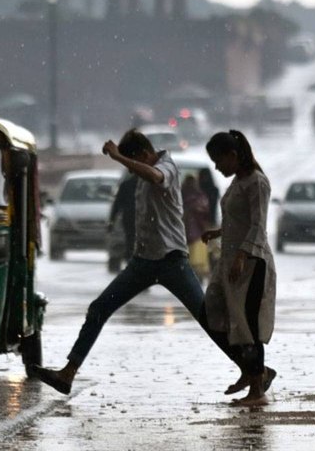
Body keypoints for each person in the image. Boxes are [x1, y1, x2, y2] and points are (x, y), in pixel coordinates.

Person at [30, 129, 258, 396]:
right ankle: (68, 373)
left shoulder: (167, 167)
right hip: (142, 262)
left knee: (207, 318)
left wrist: (118, 158)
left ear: (144, 154)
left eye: (134, 162)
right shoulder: (141, 173)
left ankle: (254, 369)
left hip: (172, 261)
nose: (133, 169)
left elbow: (155, 176)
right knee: (99, 308)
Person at [200, 130, 277, 406]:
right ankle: (252, 370)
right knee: (214, 309)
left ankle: (257, 389)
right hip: (230, 260)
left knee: (248, 324)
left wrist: (243, 256)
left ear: (233, 155)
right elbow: (238, 219)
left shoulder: (257, 182)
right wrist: (219, 232)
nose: (217, 168)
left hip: (251, 263)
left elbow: (258, 225)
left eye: (219, 161)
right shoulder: (237, 183)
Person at [182, 174, 211, 279]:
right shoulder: (200, 197)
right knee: (198, 262)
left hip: (184, 233)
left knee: (188, 260)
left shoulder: (181, 197)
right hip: (198, 234)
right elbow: (204, 214)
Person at [107, 174, 137, 271]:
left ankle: (132, 264)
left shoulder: (127, 184)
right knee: (132, 242)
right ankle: (132, 265)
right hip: (133, 219)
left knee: (131, 242)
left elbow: (117, 205)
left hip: (131, 219)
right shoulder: (128, 185)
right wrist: (111, 221)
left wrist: (112, 221)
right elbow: (117, 204)